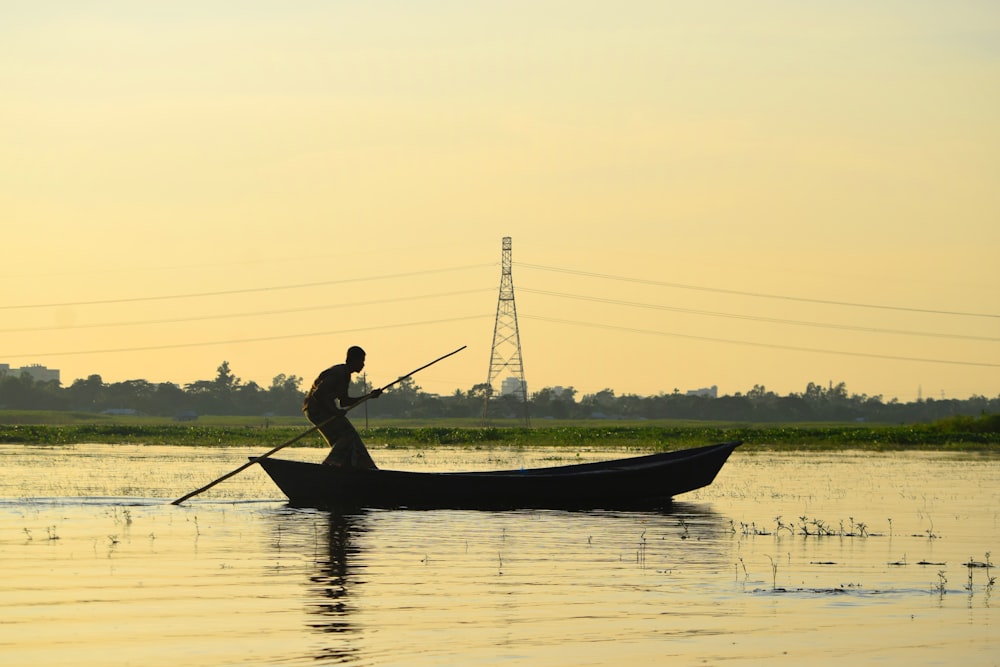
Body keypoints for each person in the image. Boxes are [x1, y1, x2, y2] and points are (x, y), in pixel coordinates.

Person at [303, 345, 383, 468]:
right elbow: (318, 394)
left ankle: (363, 466)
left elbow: (344, 402)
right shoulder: (338, 373)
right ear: (353, 360)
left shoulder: (345, 374)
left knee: (350, 437)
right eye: (361, 361)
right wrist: (334, 411)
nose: (363, 365)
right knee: (348, 434)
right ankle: (330, 464)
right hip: (315, 409)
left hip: (325, 409)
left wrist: (369, 396)